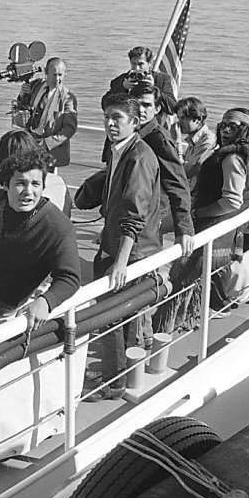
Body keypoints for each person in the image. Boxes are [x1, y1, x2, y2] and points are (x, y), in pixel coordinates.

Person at [74, 93, 167, 401]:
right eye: (107, 117)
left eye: (117, 118)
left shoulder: (139, 158)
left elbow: (134, 213)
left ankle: (112, 383)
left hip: (132, 252)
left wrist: (121, 262)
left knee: (111, 315)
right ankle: (120, 375)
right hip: (116, 245)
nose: (110, 124)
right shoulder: (120, 152)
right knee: (118, 317)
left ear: (135, 122)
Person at [0, 150, 82, 331]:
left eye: (35, 184)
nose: (28, 192)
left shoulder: (57, 226)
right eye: (20, 183)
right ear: (6, 184)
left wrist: (46, 301)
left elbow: (70, 277)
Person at [190, 107, 249, 307]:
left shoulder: (232, 158)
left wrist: (199, 212)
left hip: (217, 224)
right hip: (232, 226)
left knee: (199, 267)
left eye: (232, 127)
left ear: (245, 130)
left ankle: (215, 306)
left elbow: (231, 201)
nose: (225, 130)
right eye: (223, 125)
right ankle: (220, 302)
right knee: (220, 270)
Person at [128, 81, 195, 255]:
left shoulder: (159, 141)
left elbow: (178, 184)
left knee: (141, 262)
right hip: (126, 211)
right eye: (136, 104)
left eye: (147, 105)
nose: (141, 110)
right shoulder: (126, 134)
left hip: (150, 216)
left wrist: (184, 229)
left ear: (157, 109)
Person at [13, 57, 78, 169]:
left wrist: (47, 143)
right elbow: (21, 107)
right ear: (46, 72)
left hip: (50, 151)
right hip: (29, 143)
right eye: (54, 75)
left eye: (60, 75)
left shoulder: (68, 98)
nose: (57, 79)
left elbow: (70, 128)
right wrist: (22, 95)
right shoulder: (35, 85)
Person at [103, 46, 178, 116]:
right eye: (133, 64)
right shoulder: (120, 80)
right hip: (129, 124)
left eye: (141, 64)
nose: (137, 68)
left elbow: (173, 108)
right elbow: (105, 105)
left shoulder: (162, 79)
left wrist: (154, 88)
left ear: (150, 64)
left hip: (153, 125)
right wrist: (122, 89)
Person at [176, 96, 217, 190]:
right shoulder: (193, 139)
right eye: (179, 118)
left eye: (183, 118)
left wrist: (177, 141)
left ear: (197, 120)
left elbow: (186, 172)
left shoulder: (207, 141)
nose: (179, 122)